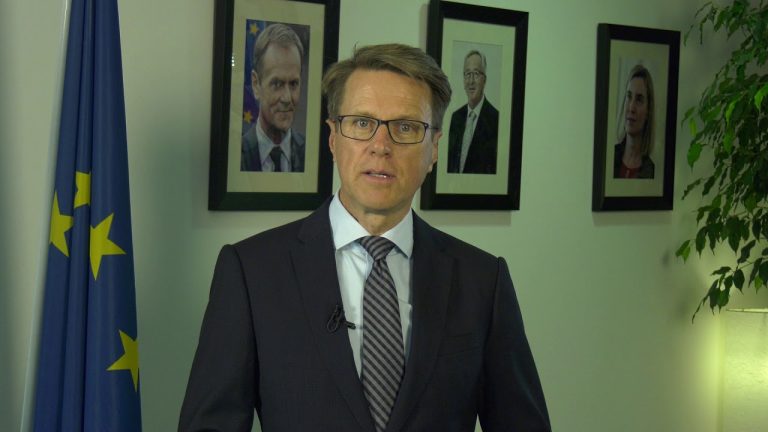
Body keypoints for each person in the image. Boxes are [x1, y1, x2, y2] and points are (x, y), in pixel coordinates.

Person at [180, 43, 550, 432]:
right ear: (333, 138)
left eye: (406, 127)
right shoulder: (252, 272)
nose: (381, 146)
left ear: (434, 149)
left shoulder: (483, 281)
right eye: (361, 123)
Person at [241, 23, 306, 172]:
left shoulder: (311, 155)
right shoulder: (235, 156)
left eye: (294, 84)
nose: (287, 98)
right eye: (277, 84)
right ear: (256, 84)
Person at [447, 50, 499, 174]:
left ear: (484, 80)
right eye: (467, 74)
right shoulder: (456, 117)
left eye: (476, 74)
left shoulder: (496, 120)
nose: (471, 81)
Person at [613, 64, 656, 179]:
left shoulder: (652, 172)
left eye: (639, 100)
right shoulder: (609, 157)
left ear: (648, 111)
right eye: (629, 96)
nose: (631, 108)